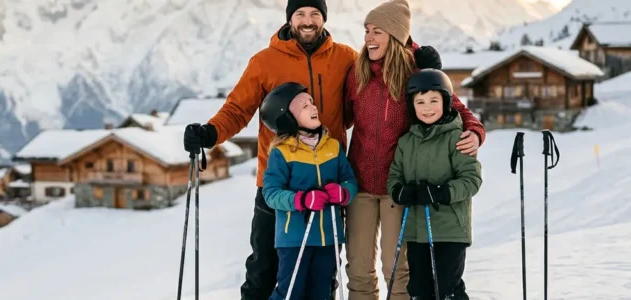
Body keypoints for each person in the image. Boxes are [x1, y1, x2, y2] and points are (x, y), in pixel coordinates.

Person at [181, 0, 442, 298]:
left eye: (315, 14)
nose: (308, 21)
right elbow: (237, 109)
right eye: (301, 14)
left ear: (324, 19)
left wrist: (417, 55)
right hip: (279, 184)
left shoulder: (345, 58)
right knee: (264, 269)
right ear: (290, 19)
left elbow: (386, 62)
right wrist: (210, 133)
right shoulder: (265, 61)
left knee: (323, 273)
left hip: (329, 184)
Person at [340, 1, 486, 299]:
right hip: (361, 184)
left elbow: (452, 107)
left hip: (399, 188)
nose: (368, 37)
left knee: (398, 270)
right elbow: (339, 117)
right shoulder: (357, 74)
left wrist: (474, 130)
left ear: (395, 35)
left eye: (377, 31)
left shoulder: (415, 73)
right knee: (358, 269)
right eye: (366, 30)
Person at [387, 69, 482, 300]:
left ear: (446, 102)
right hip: (416, 230)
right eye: (420, 102)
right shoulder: (406, 141)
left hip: (450, 229)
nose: (427, 107)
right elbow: (394, 177)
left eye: (433, 100)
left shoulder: (457, 138)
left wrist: (440, 192)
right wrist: (400, 192)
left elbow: (471, 180)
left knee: (447, 288)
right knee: (419, 290)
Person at [260, 82, 357, 300]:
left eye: (312, 102)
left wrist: (342, 193)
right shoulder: (282, 153)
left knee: (321, 292)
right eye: (304, 106)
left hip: (328, 237)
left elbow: (349, 180)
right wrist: (302, 199)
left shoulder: (332, 147)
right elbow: (271, 193)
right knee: (292, 291)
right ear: (288, 118)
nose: (313, 108)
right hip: (294, 238)